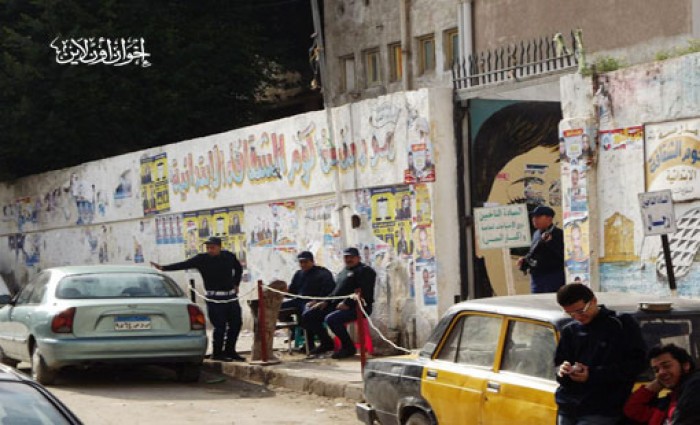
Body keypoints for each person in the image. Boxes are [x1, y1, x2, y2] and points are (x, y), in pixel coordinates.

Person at [555, 283, 647, 425]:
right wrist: (563, 370)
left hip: (603, 408)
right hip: (568, 406)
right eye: (570, 314)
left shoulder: (620, 324)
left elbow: (637, 364)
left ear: (593, 301)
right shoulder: (569, 331)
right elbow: (558, 365)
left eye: (580, 311)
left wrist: (592, 374)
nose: (577, 317)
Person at [151, 236, 245, 362]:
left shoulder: (228, 256)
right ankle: (217, 353)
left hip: (231, 297)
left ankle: (230, 350)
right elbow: (184, 264)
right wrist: (164, 268)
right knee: (220, 326)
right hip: (214, 298)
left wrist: (236, 283)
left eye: (212, 247)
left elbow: (238, 268)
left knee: (236, 324)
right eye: (208, 248)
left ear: (219, 247)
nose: (210, 250)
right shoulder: (202, 259)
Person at [301, 247, 376, 359]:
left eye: (352, 257)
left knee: (332, 319)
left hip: (359, 306)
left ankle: (348, 347)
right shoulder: (343, 272)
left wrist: (348, 303)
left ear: (358, 258)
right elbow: (336, 291)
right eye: (346, 257)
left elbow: (365, 292)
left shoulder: (365, 271)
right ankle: (326, 343)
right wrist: (324, 301)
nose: (349, 259)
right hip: (337, 304)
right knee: (309, 314)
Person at [624, 344, 698, 424]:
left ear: (685, 365)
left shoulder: (695, 387)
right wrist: (660, 381)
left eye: (666, 366)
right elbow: (633, 409)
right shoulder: (668, 401)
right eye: (656, 370)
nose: (661, 372)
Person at [517, 206, 565, 293]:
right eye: (533, 217)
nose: (534, 219)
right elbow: (533, 252)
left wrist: (549, 243)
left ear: (549, 218)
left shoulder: (559, 234)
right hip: (537, 278)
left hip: (553, 278)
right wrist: (525, 259)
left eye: (538, 217)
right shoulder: (536, 234)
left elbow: (561, 255)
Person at [282, 251, 335, 319]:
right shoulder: (298, 274)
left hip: (312, 301)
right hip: (299, 300)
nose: (303, 264)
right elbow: (292, 292)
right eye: (301, 262)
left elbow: (329, 290)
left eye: (306, 262)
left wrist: (317, 301)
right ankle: (290, 323)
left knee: (307, 314)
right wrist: (283, 292)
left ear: (312, 261)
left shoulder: (323, 273)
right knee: (277, 307)